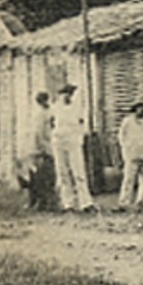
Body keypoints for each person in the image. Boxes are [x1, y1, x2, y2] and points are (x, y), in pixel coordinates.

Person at [51, 84, 95, 212]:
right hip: (58, 142)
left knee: (78, 171)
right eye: (65, 94)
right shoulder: (55, 108)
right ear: (60, 95)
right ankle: (68, 204)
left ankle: (86, 203)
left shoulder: (77, 108)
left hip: (73, 141)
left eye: (70, 94)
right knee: (63, 172)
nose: (67, 96)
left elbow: (81, 124)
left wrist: (80, 137)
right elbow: (52, 124)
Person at [117, 100, 143, 212]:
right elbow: (121, 137)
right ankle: (124, 202)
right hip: (132, 154)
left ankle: (140, 201)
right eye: (140, 108)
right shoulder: (127, 121)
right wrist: (126, 149)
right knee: (129, 179)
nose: (142, 110)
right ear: (135, 109)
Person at [20, 92, 58, 211]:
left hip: (45, 148)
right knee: (39, 178)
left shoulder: (50, 112)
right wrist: (46, 149)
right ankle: (38, 202)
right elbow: (39, 135)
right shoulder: (39, 115)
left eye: (46, 100)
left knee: (47, 177)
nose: (46, 103)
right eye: (43, 101)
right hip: (40, 150)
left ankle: (46, 202)